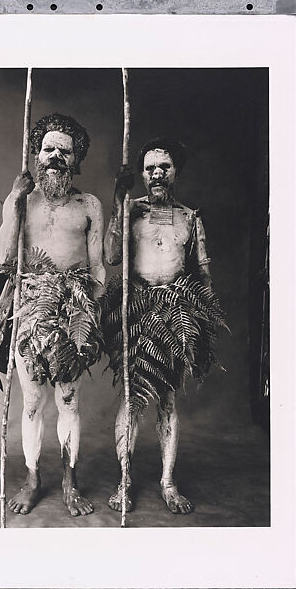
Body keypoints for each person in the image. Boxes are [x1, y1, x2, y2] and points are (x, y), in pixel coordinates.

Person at [102, 138, 227, 515]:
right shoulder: (129, 210)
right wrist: (117, 199)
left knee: (167, 400)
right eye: (150, 167)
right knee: (131, 396)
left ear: (175, 172)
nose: (157, 174)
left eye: (164, 167)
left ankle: (167, 482)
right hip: (136, 310)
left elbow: (202, 275)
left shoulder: (190, 217)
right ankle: (124, 479)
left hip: (175, 314)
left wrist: (203, 321)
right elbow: (111, 256)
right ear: (141, 173)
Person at [0, 113, 105, 516]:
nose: (56, 156)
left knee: (69, 401)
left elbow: (98, 268)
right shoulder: (20, 201)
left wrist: (90, 317)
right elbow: (2, 257)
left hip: (74, 311)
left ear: (76, 159)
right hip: (30, 310)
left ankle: (70, 482)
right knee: (33, 402)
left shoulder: (88, 204)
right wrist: (13, 203)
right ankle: (33, 477)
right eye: (48, 149)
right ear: (36, 155)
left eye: (65, 151)